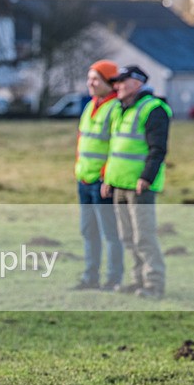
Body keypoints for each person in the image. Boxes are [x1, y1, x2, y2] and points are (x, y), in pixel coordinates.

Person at [101, 65, 172, 299]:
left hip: (140, 185)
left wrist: (146, 177)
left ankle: (153, 285)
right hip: (119, 183)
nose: (117, 86)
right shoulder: (121, 110)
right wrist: (108, 179)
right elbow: (116, 149)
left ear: (138, 83)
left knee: (144, 237)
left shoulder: (154, 109)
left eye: (122, 81)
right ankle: (137, 281)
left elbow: (157, 149)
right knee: (128, 237)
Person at [72, 60, 124, 291]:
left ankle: (113, 279)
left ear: (109, 82)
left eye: (96, 79)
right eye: (89, 78)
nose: (90, 83)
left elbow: (117, 146)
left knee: (110, 233)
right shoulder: (90, 106)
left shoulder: (115, 109)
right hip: (84, 179)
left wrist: (106, 177)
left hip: (102, 183)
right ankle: (90, 276)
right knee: (88, 231)